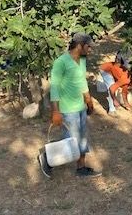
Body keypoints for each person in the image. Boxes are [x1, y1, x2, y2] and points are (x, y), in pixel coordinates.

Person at [38, 33, 102, 179]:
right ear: (79, 45)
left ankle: (81, 168)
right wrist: (55, 111)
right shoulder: (61, 62)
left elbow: (81, 81)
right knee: (71, 142)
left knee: (82, 138)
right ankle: (47, 158)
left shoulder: (82, 59)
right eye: (88, 47)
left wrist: (89, 101)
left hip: (80, 107)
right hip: (67, 110)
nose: (90, 50)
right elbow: (54, 87)